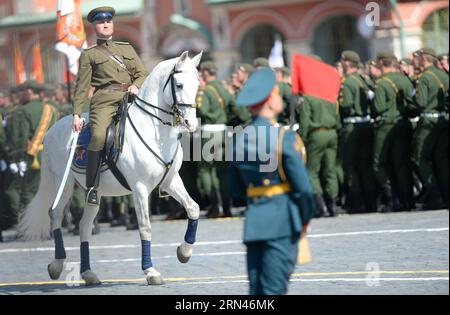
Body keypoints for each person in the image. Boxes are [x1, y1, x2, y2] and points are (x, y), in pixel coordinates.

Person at [229, 68, 315, 295]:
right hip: (282, 221)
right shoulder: (282, 137)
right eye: (277, 94)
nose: (280, 99)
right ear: (269, 101)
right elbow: (304, 189)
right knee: (274, 290)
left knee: (256, 292)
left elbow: (235, 189)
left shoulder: (239, 140)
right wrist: (304, 219)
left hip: (255, 223)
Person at [71, 6, 148, 206]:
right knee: (97, 136)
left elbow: (142, 73)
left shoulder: (126, 48)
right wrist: (77, 114)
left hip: (129, 98)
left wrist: (135, 85)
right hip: (104, 100)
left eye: (108, 21)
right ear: (95, 26)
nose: (105, 24)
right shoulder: (89, 54)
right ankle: (92, 187)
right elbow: (82, 87)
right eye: (100, 22)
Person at [372, 52, 415, 211]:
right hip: (403, 123)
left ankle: (393, 197)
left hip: (386, 125)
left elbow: (379, 107)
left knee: (379, 163)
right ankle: (407, 199)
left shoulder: (382, 83)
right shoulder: (404, 79)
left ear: (382, 63)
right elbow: (412, 103)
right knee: (401, 163)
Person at [409, 48, 449, 209]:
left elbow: (421, 102)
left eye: (417, 58)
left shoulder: (424, 77)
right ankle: (446, 194)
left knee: (421, 157)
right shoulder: (443, 75)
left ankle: (435, 194)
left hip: (428, 121)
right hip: (442, 119)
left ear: (424, 59)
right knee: (441, 159)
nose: (415, 60)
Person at [339, 51, 377, 213]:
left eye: (342, 61)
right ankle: (371, 201)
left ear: (348, 63)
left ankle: (357, 202)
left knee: (350, 165)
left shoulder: (347, 82)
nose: (341, 64)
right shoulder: (363, 80)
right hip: (366, 123)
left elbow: (346, 104)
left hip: (352, 126)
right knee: (365, 165)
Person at [298, 94, 341, 217]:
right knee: (330, 170)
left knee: (311, 171)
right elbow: (337, 118)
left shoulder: (309, 98)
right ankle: (333, 206)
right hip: (332, 133)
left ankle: (320, 206)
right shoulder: (330, 96)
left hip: (317, 134)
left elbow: (305, 121)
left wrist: (302, 138)